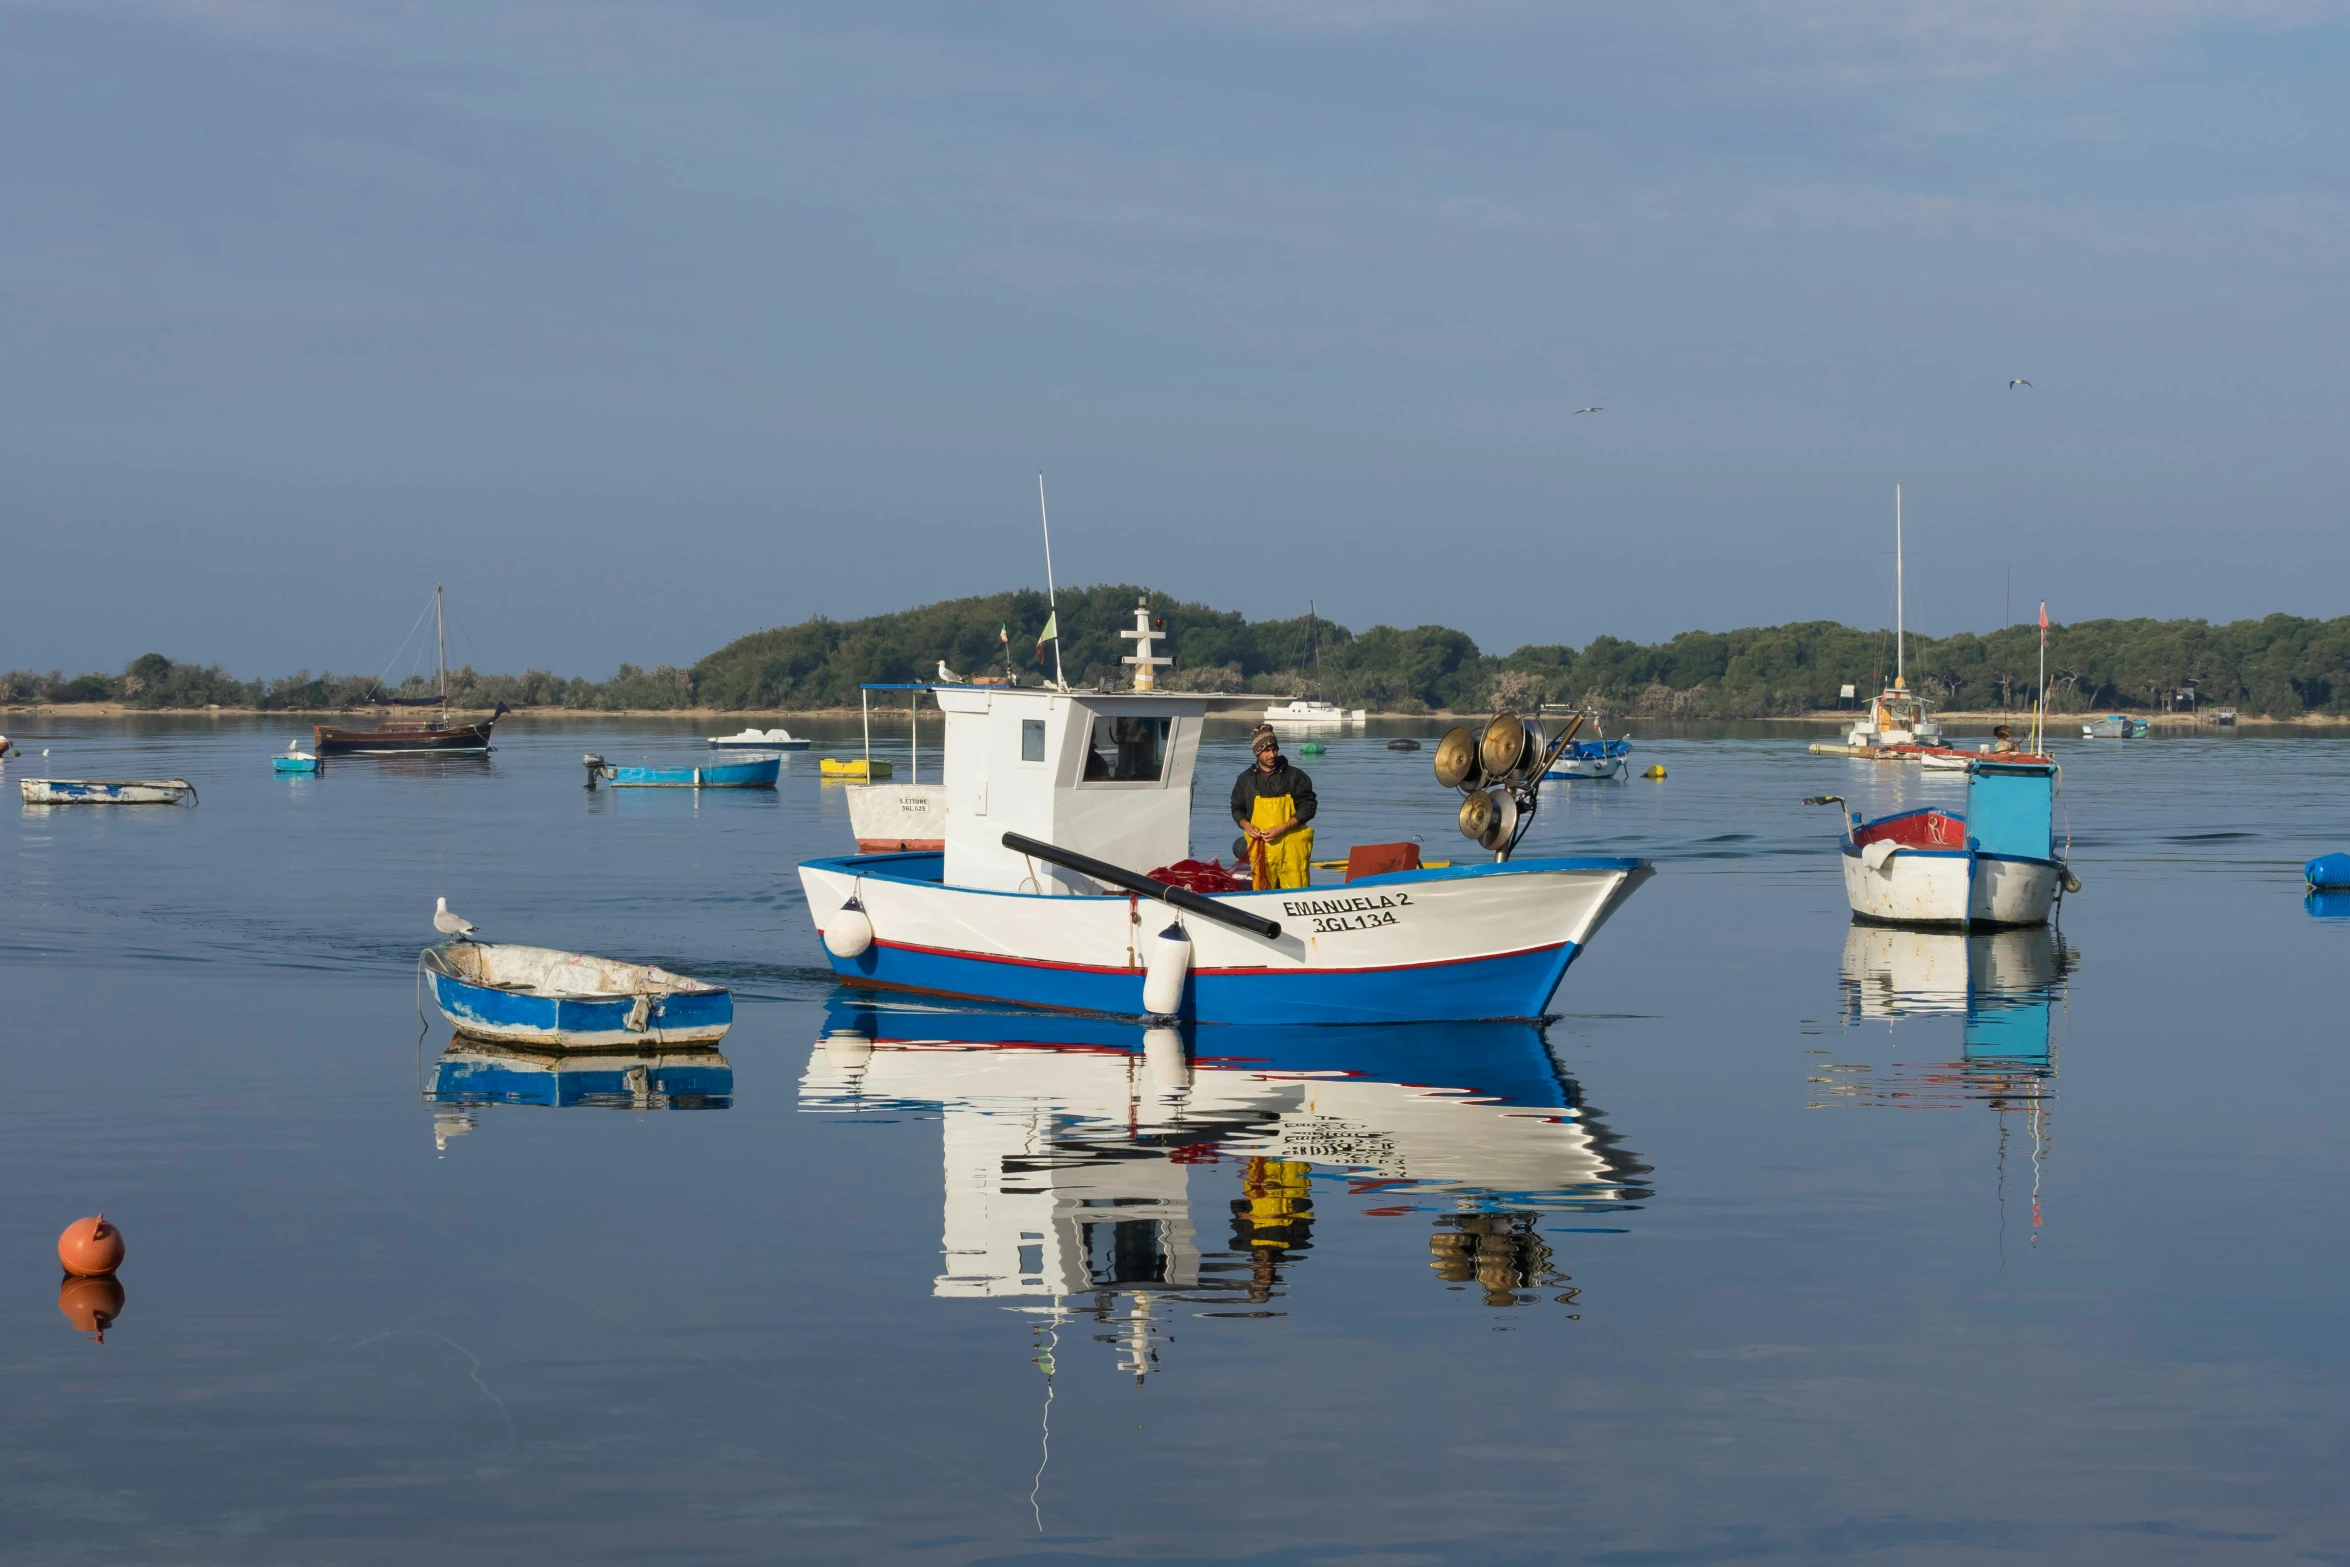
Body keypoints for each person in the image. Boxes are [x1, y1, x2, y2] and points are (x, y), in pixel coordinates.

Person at [1233, 723, 1316, 889]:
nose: (1272, 754)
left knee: (1297, 897)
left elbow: (1309, 807)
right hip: (1261, 852)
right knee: (1262, 897)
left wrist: (1282, 829)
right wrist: (1247, 825)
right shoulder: (1245, 780)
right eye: (1266, 750)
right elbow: (1236, 808)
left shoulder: (1295, 776)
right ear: (1257, 752)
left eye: (1274, 749)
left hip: (1293, 852)